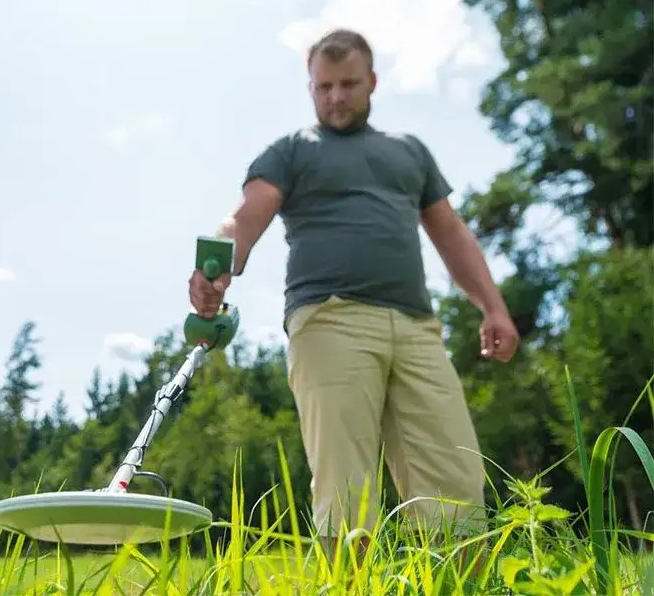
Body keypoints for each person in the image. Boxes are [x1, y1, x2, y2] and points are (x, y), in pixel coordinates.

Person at [187, 28, 520, 558]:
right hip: (329, 322)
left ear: (373, 83)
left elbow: (451, 233)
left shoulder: (408, 152)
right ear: (310, 87)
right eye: (323, 87)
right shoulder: (292, 151)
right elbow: (245, 217)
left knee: (455, 484)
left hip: (417, 328)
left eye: (348, 84)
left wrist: (493, 307)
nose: (335, 97)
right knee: (346, 491)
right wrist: (218, 264)